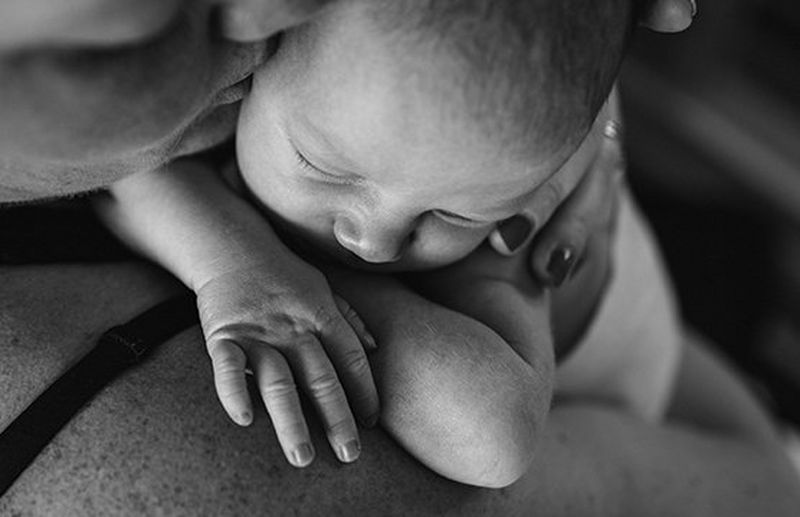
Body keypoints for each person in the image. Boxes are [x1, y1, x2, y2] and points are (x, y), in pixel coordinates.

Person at [94, 0, 793, 504]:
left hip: (634, 380)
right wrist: (241, 262)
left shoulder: (496, 237)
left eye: (448, 212)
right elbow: (118, 166)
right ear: (256, 53)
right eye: (326, 168)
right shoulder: (295, 74)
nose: (374, 239)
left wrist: (308, 286)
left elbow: (494, 438)